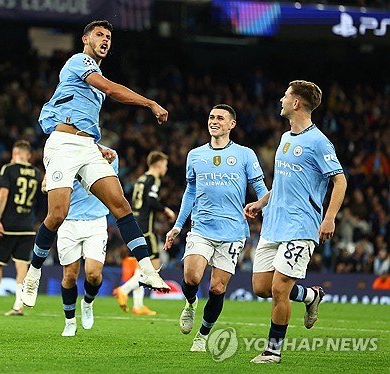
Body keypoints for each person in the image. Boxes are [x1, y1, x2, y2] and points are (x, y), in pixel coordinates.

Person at [21, 20, 170, 309]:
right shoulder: (79, 61)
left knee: (121, 206)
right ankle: (33, 273)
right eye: (99, 35)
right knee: (57, 214)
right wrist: (150, 103)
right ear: (85, 39)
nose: (105, 39)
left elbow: (78, 116)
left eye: (109, 37)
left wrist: (98, 146)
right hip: (63, 146)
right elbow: (113, 90)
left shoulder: (93, 76)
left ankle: (148, 270)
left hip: (87, 147)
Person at [244, 80, 347, 363]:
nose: (281, 99)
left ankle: (272, 351)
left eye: (286, 95)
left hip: (301, 226)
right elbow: (283, 182)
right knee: (262, 288)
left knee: (279, 290)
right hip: (273, 223)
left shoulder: (319, 141)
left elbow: (340, 180)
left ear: (297, 103)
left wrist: (329, 218)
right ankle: (311, 297)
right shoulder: (286, 138)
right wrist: (261, 201)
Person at [164, 104, 268, 352]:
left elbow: (261, 188)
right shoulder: (195, 155)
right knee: (191, 278)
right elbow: (190, 191)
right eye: (211, 117)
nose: (214, 121)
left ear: (232, 124)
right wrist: (179, 225)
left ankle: (202, 335)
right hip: (201, 227)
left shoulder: (245, 154)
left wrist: (265, 210)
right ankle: (190, 304)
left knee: (217, 288)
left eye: (220, 118)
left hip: (232, 231)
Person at [53, 147, 119, 336]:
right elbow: (48, 182)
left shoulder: (109, 155)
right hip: (69, 222)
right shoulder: (64, 152)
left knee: (93, 274)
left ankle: (88, 302)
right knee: (70, 276)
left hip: (96, 221)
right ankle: (70, 321)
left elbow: (111, 185)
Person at [0, 140, 43, 316]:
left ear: (15, 154)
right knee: (22, 267)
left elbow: (3, 195)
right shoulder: (37, 173)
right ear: (28, 155)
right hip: (27, 226)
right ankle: (18, 306)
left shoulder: (9, 169)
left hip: (8, 226)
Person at [113, 151, 175, 315]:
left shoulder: (140, 179)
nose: (166, 169)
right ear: (159, 164)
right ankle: (124, 290)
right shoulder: (154, 179)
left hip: (135, 224)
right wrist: (166, 209)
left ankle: (138, 306)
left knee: (141, 268)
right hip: (146, 229)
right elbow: (151, 200)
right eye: (165, 165)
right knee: (152, 269)